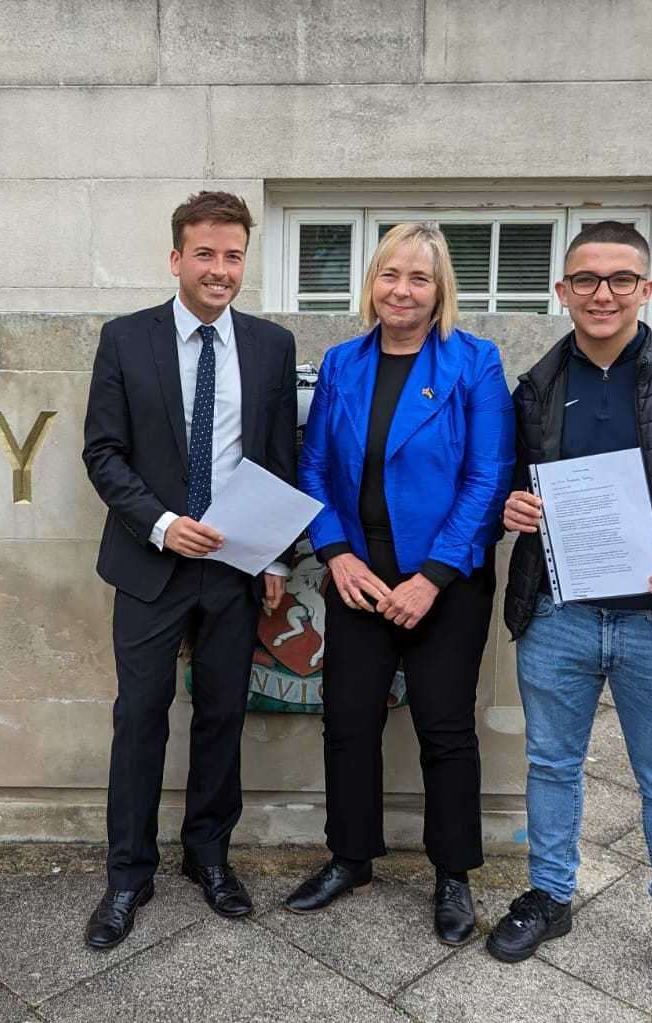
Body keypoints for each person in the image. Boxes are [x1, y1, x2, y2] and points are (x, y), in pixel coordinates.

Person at [487, 222, 652, 1019]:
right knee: (551, 765)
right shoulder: (535, 386)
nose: (601, 293)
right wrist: (513, 506)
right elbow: (509, 484)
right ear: (562, 292)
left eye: (619, 279)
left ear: (646, 288)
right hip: (560, 615)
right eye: (585, 280)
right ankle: (550, 895)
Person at [285, 222, 514, 946]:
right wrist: (337, 554)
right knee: (347, 723)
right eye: (390, 274)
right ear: (371, 283)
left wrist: (434, 576)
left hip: (445, 578)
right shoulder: (343, 362)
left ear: (440, 289)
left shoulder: (474, 363)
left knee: (444, 729)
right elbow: (314, 466)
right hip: (358, 573)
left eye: (418, 277)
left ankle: (453, 875)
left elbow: (488, 477)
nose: (402, 290)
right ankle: (351, 857)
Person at [80, 191, 298, 949]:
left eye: (232, 255)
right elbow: (102, 454)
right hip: (151, 565)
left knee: (222, 719)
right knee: (138, 721)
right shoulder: (125, 341)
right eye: (204, 254)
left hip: (235, 570)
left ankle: (209, 858)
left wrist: (274, 554)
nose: (219, 269)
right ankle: (127, 877)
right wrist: (165, 526)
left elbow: (277, 458)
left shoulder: (270, 347)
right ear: (176, 259)